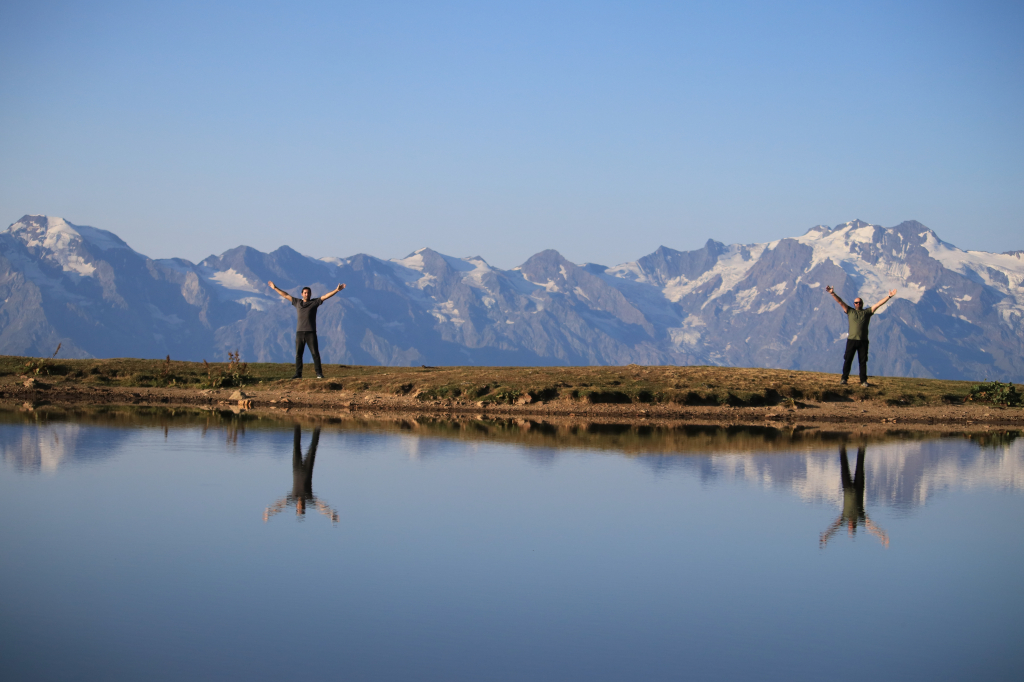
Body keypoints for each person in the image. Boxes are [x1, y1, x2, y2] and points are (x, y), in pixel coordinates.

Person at [268, 280, 345, 379]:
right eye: (305, 292)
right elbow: (285, 295)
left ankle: (319, 373)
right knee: (298, 354)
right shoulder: (297, 302)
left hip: (311, 333)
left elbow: (325, 296)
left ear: (310, 294)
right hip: (299, 333)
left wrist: (336, 290)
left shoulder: (314, 302)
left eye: (308, 293)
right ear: (302, 294)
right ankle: (298, 374)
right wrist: (275, 288)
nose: (306, 294)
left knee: (315, 354)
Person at [824, 284, 897, 387]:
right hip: (851, 340)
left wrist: (889, 297)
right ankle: (844, 379)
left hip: (863, 341)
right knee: (848, 360)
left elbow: (878, 304)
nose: (858, 304)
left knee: (862, 362)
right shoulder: (850, 311)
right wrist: (832, 293)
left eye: (860, 302)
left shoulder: (867, 312)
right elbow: (840, 302)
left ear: (862, 303)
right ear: (854, 304)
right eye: (856, 302)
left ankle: (863, 381)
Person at [264, 426, 340, 523]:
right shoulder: (309, 498)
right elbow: (320, 506)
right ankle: (317, 426)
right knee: (312, 448)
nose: (301, 506)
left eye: (299, 509)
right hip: (308, 468)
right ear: (304, 508)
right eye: (302, 509)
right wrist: (330, 514)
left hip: (296, 467)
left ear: (296, 506)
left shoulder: (293, 497)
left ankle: (297, 425)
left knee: (296, 446)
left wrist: (269, 512)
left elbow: (280, 504)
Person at [820, 445, 889, 548]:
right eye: (851, 527)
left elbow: (835, 526)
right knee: (860, 464)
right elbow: (871, 526)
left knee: (844, 464)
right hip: (859, 487)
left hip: (847, 488)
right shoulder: (860, 517)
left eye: (849, 527)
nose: (850, 526)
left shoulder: (845, 518)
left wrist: (826, 536)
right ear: (854, 526)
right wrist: (881, 535)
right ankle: (862, 444)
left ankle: (841, 445)